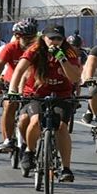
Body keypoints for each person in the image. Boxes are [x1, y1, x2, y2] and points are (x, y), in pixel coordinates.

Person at [7, 25, 82, 181]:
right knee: (34, 120)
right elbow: (19, 70)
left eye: (59, 39)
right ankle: (29, 151)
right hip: (36, 94)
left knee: (62, 126)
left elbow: (75, 78)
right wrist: (13, 91)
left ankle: (66, 168)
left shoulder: (68, 52)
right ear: (43, 38)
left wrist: (62, 59)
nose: (55, 42)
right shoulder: (35, 49)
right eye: (51, 38)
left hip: (61, 94)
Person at [0, 21, 38, 153]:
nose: (29, 41)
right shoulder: (10, 48)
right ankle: (8, 140)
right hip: (10, 84)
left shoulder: (38, 48)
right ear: (17, 36)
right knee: (9, 105)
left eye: (32, 38)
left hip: (31, 86)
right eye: (26, 38)